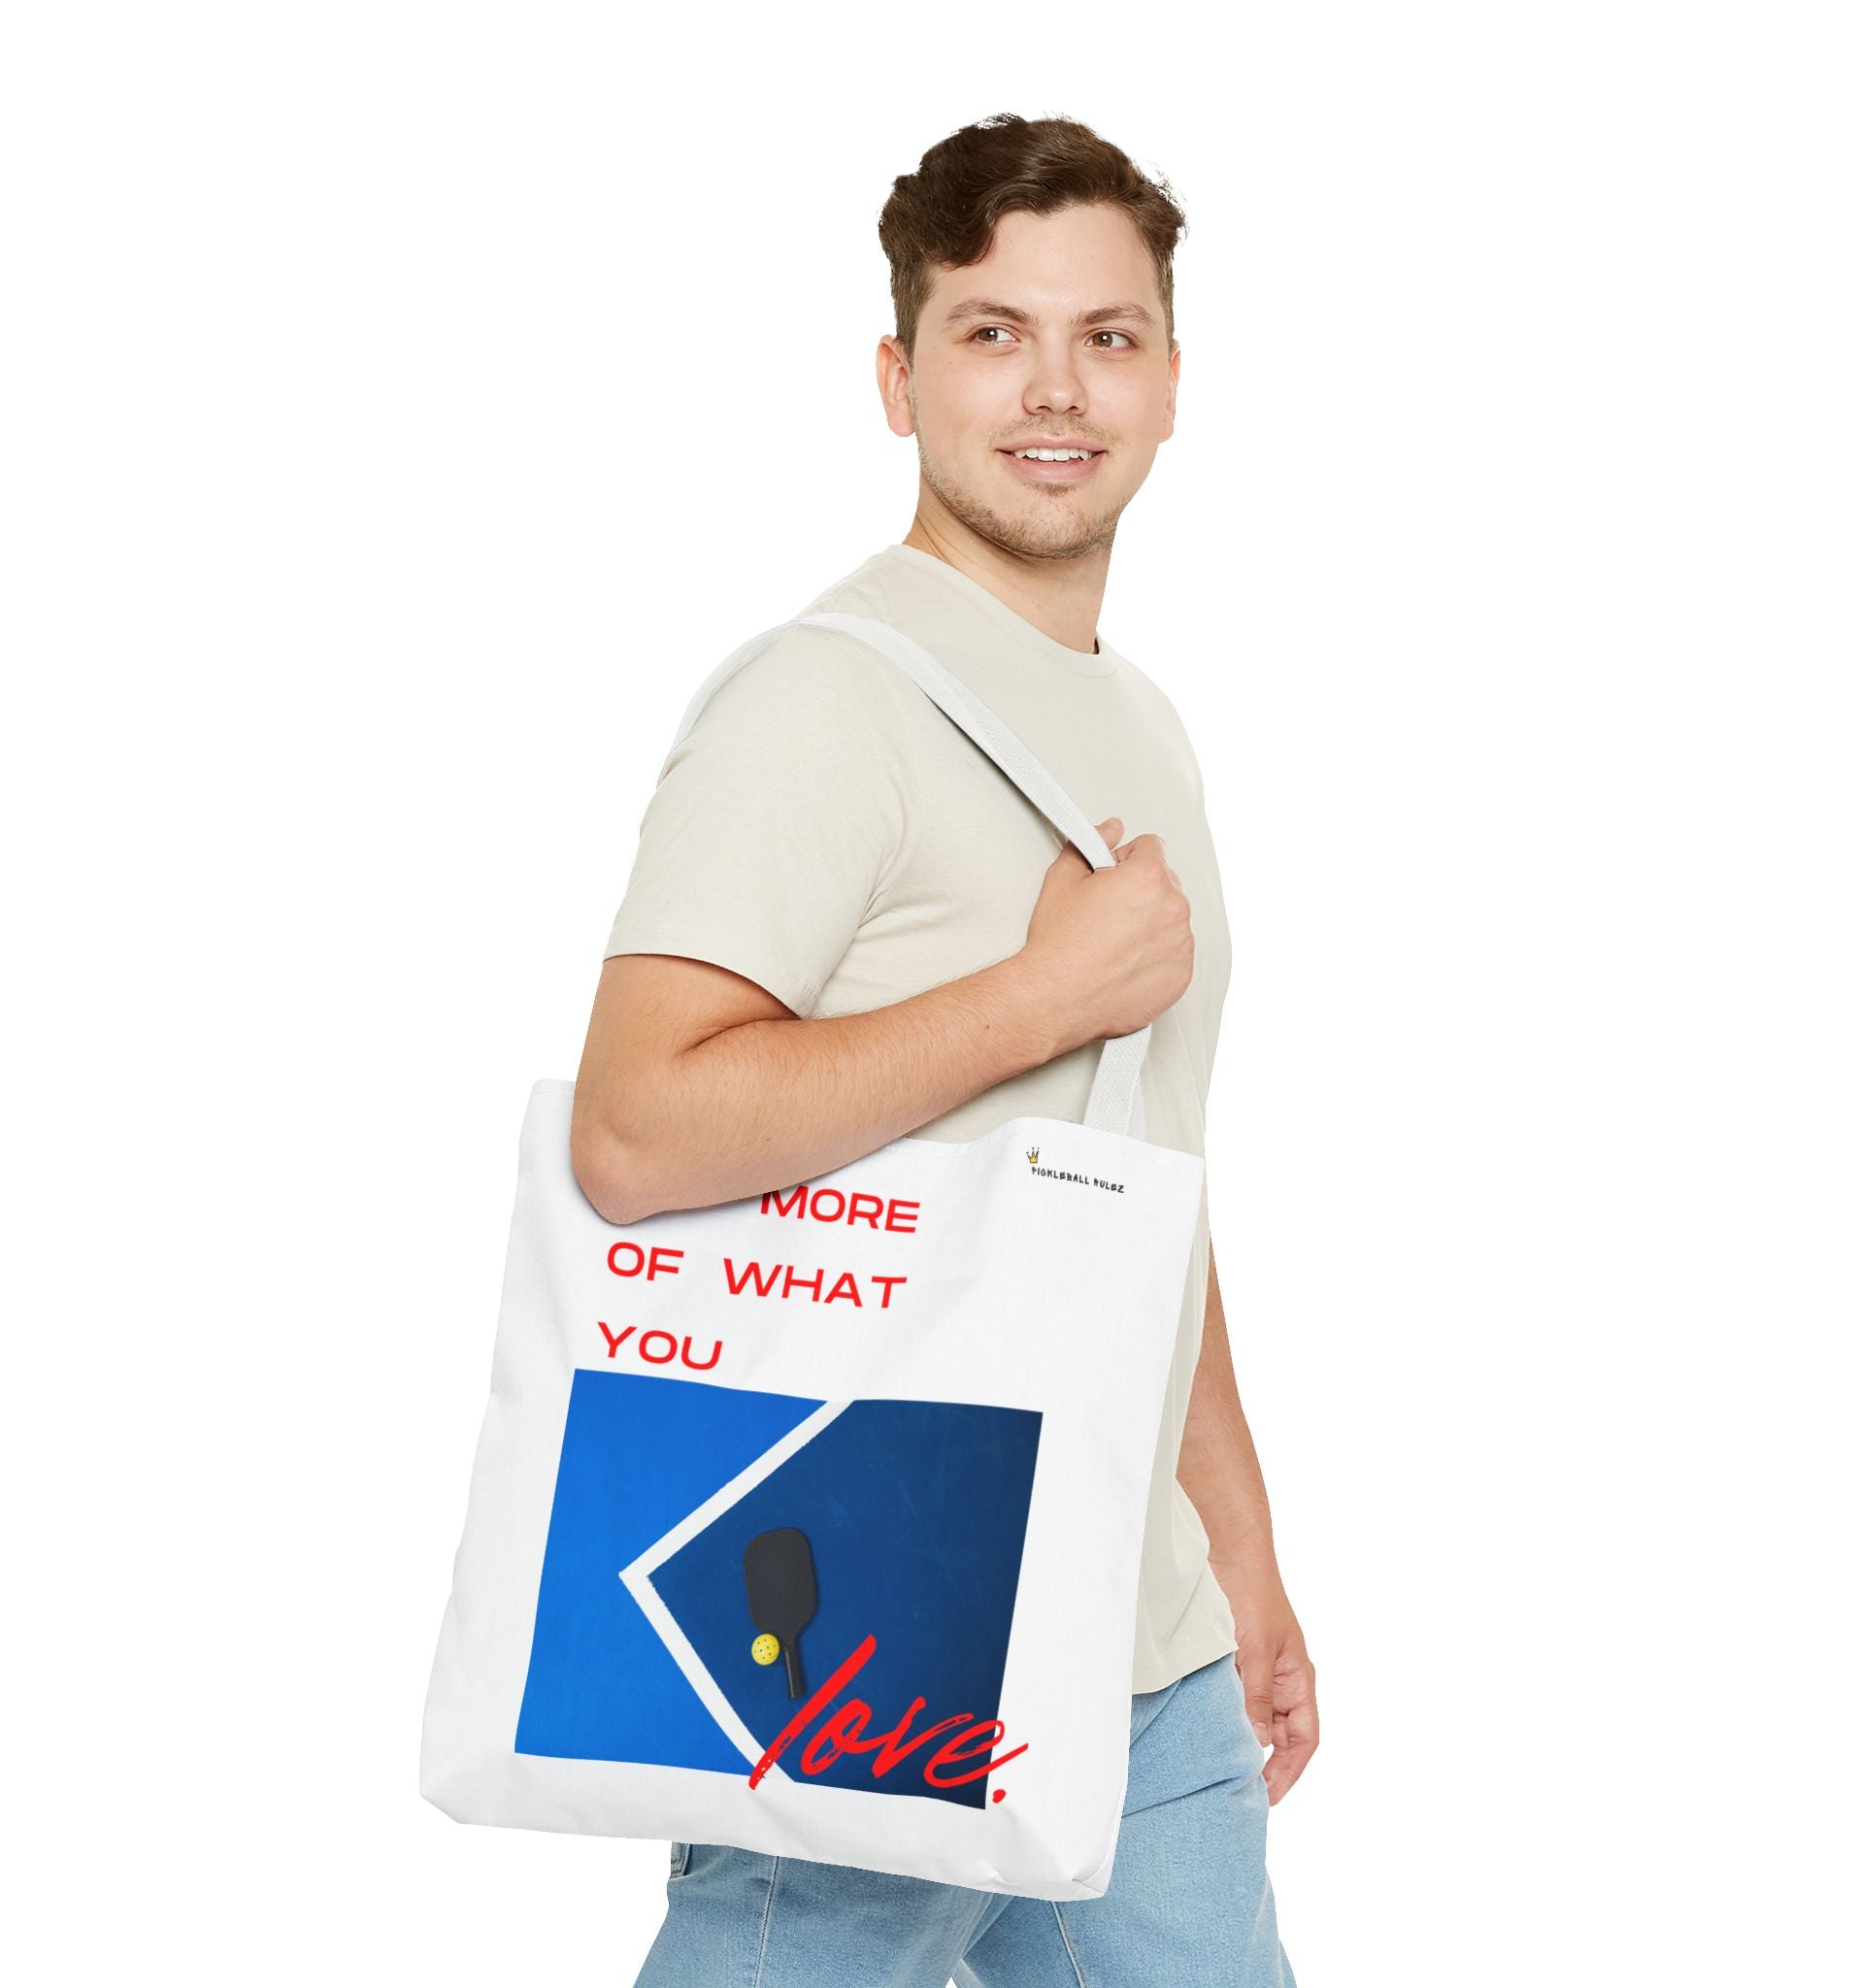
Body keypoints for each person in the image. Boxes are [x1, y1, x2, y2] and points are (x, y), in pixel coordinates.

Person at [573, 110, 1312, 1988]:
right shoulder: (819, 700)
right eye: (992, 333)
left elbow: (1143, 1160)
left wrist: (1238, 1553)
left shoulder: (1137, 721)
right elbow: (636, 1130)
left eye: (1107, 335)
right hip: (880, 1638)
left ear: (1168, 382)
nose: (1055, 389)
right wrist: (1037, 995)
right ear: (898, 380)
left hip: (1142, 1661)